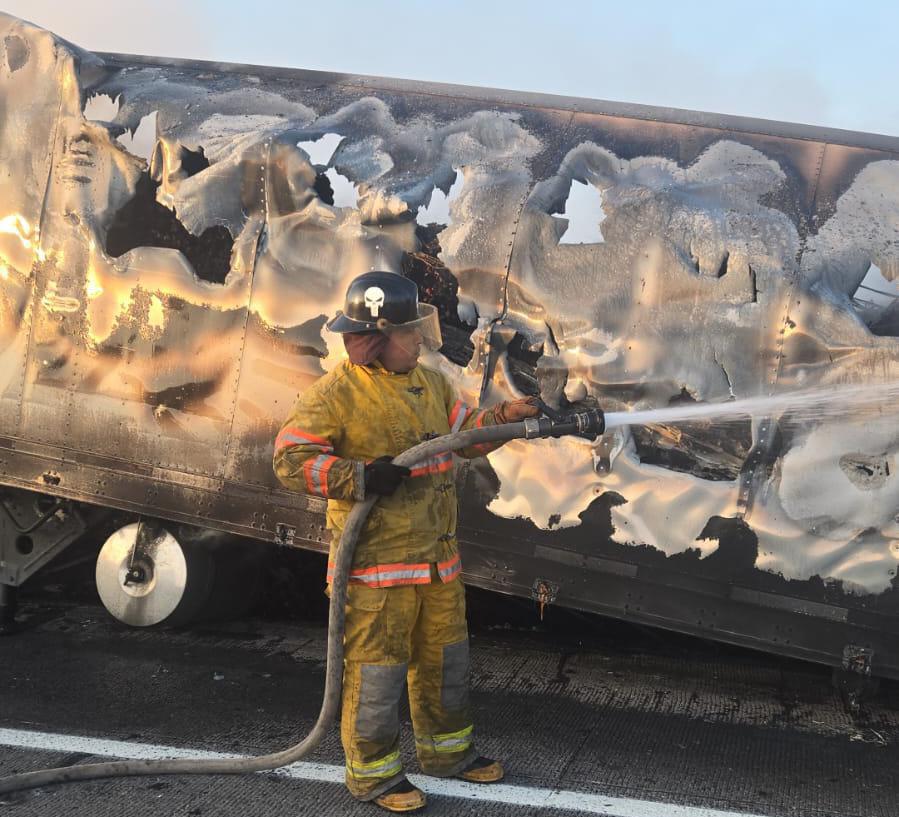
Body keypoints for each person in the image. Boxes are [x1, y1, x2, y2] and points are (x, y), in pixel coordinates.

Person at [273, 271, 539, 812]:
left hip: (438, 564)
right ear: (374, 338)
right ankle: (373, 775)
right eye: (409, 331)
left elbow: (466, 436)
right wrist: (360, 476)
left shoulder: (432, 384)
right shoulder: (335, 395)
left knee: (446, 663)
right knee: (376, 675)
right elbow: (289, 461)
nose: (420, 339)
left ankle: (448, 755)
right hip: (375, 572)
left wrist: (507, 418)